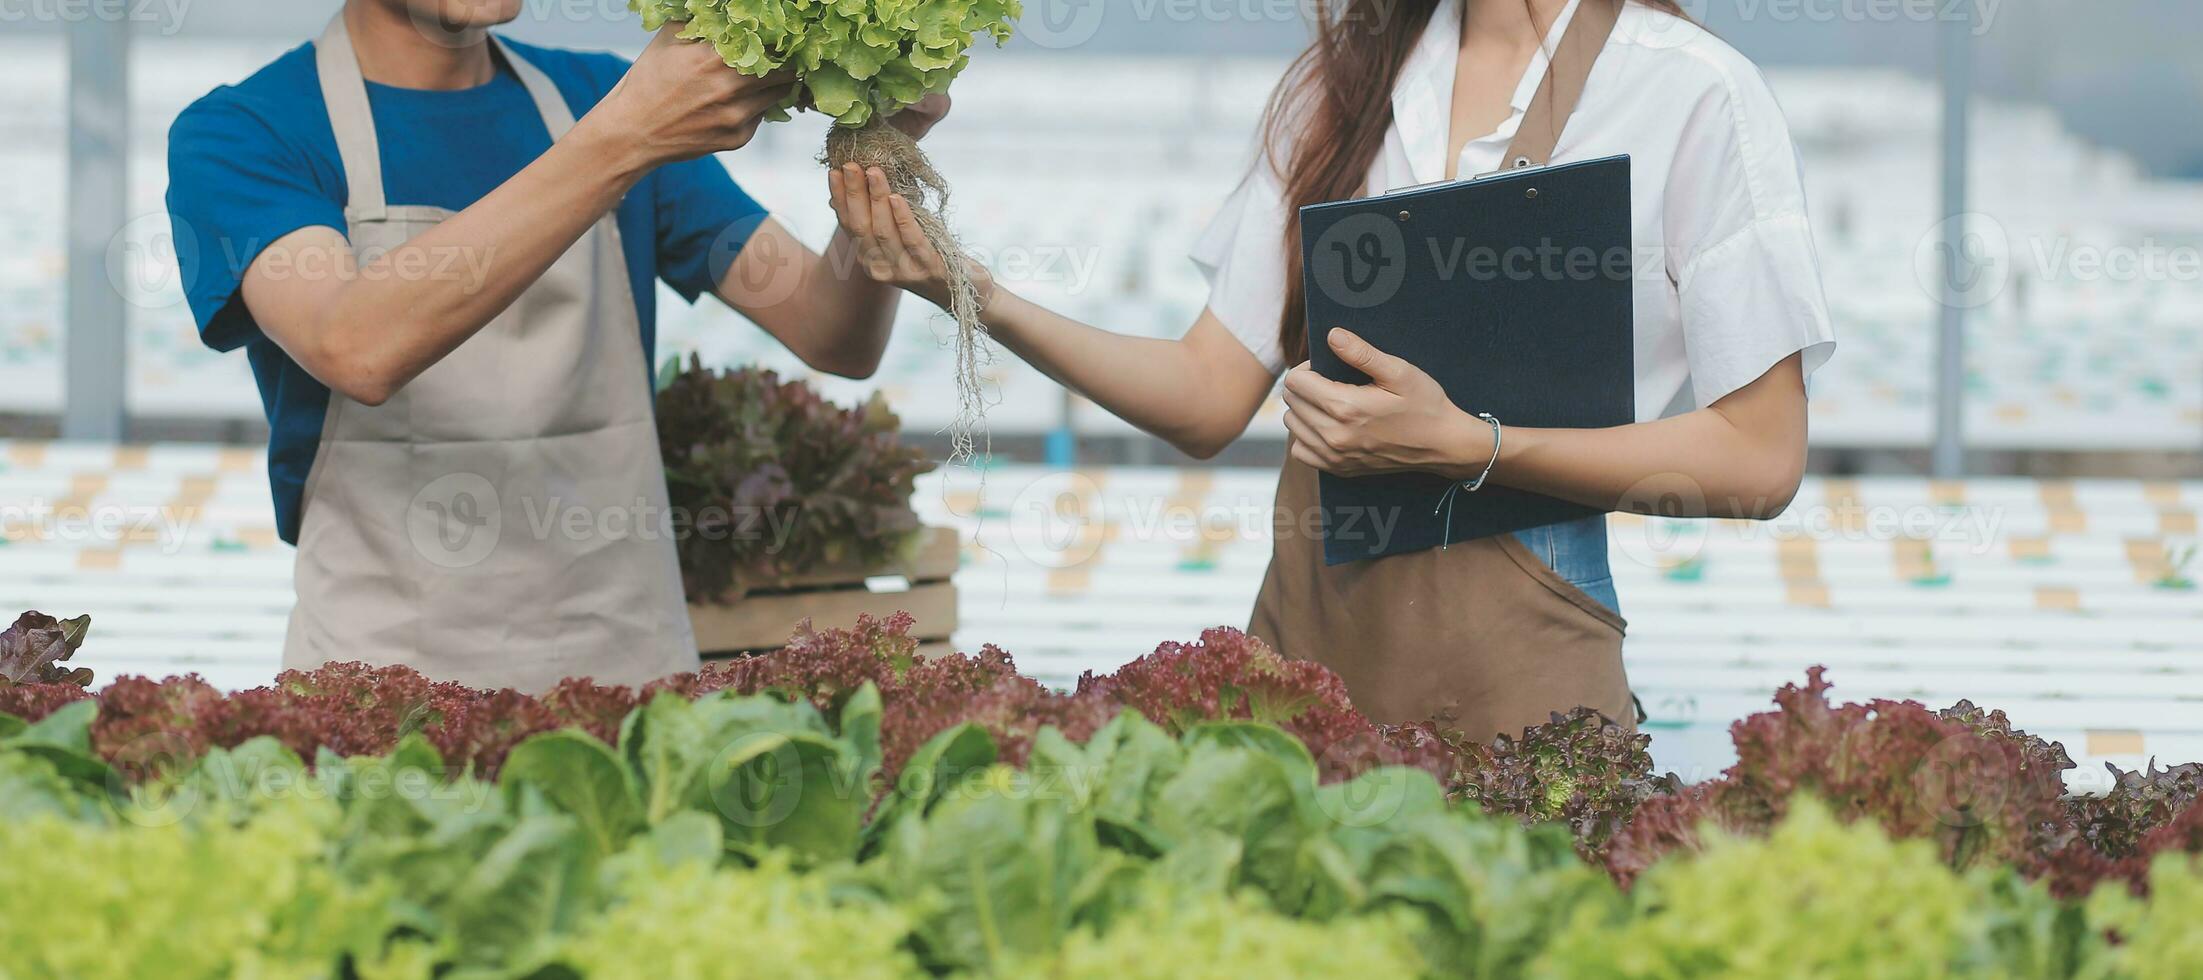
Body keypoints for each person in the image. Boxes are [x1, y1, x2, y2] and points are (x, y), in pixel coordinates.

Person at [828, 0, 1837, 740]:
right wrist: (980, 295)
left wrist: (1472, 445)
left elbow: (1759, 456)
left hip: (1523, 666)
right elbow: (1206, 392)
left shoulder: (1690, 91)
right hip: (1308, 648)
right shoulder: (1342, 86)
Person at [165, 0, 948, 690]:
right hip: (382, 687)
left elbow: (830, 331)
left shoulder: (599, 99)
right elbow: (356, 346)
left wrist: (878, 165)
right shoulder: (246, 131)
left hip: (624, 668)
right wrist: (620, 142)